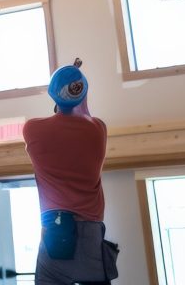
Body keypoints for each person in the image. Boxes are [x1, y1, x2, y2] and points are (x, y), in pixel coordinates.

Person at [23, 63, 118, 285]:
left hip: (55, 230)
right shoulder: (98, 130)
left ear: (54, 98)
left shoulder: (32, 130)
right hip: (90, 236)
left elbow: (58, 118)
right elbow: (85, 116)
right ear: (84, 93)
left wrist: (63, 97)